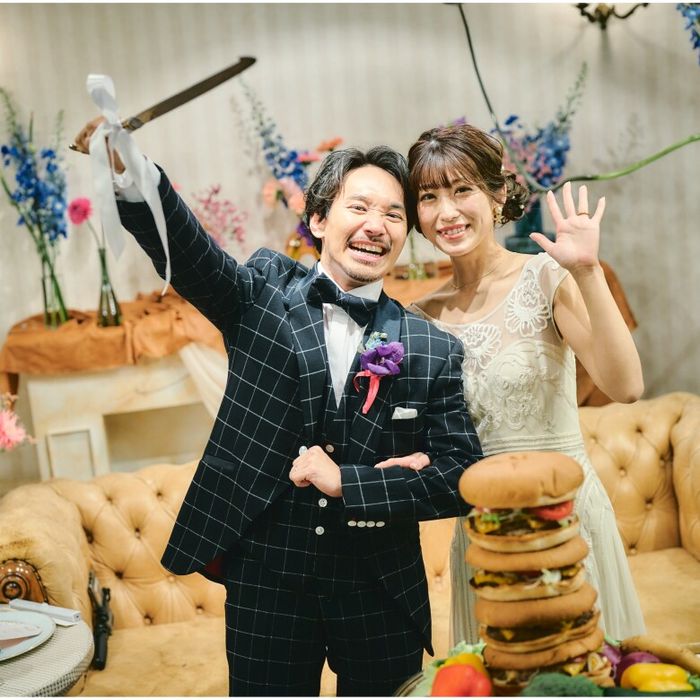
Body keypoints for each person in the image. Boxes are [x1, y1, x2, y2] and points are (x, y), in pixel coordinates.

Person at [72, 119, 483, 696]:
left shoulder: (430, 347)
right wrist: (132, 174)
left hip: (380, 584)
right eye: (359, 207)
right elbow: (191, 253)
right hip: (267, 579)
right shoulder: (260, 297)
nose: (376, 225)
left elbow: (462, 475)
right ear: (318, 220)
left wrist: (352, 482)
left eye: (394, 215)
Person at [402, 123, 646, 644]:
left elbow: (626, 386)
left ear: (497, 195)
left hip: (566, 515)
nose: (447, 211)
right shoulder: (419, 318)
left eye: (462, 189)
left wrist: (587, 272)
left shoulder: (546, 276)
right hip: (484, 530)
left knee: (585, 667)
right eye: (429, 197)